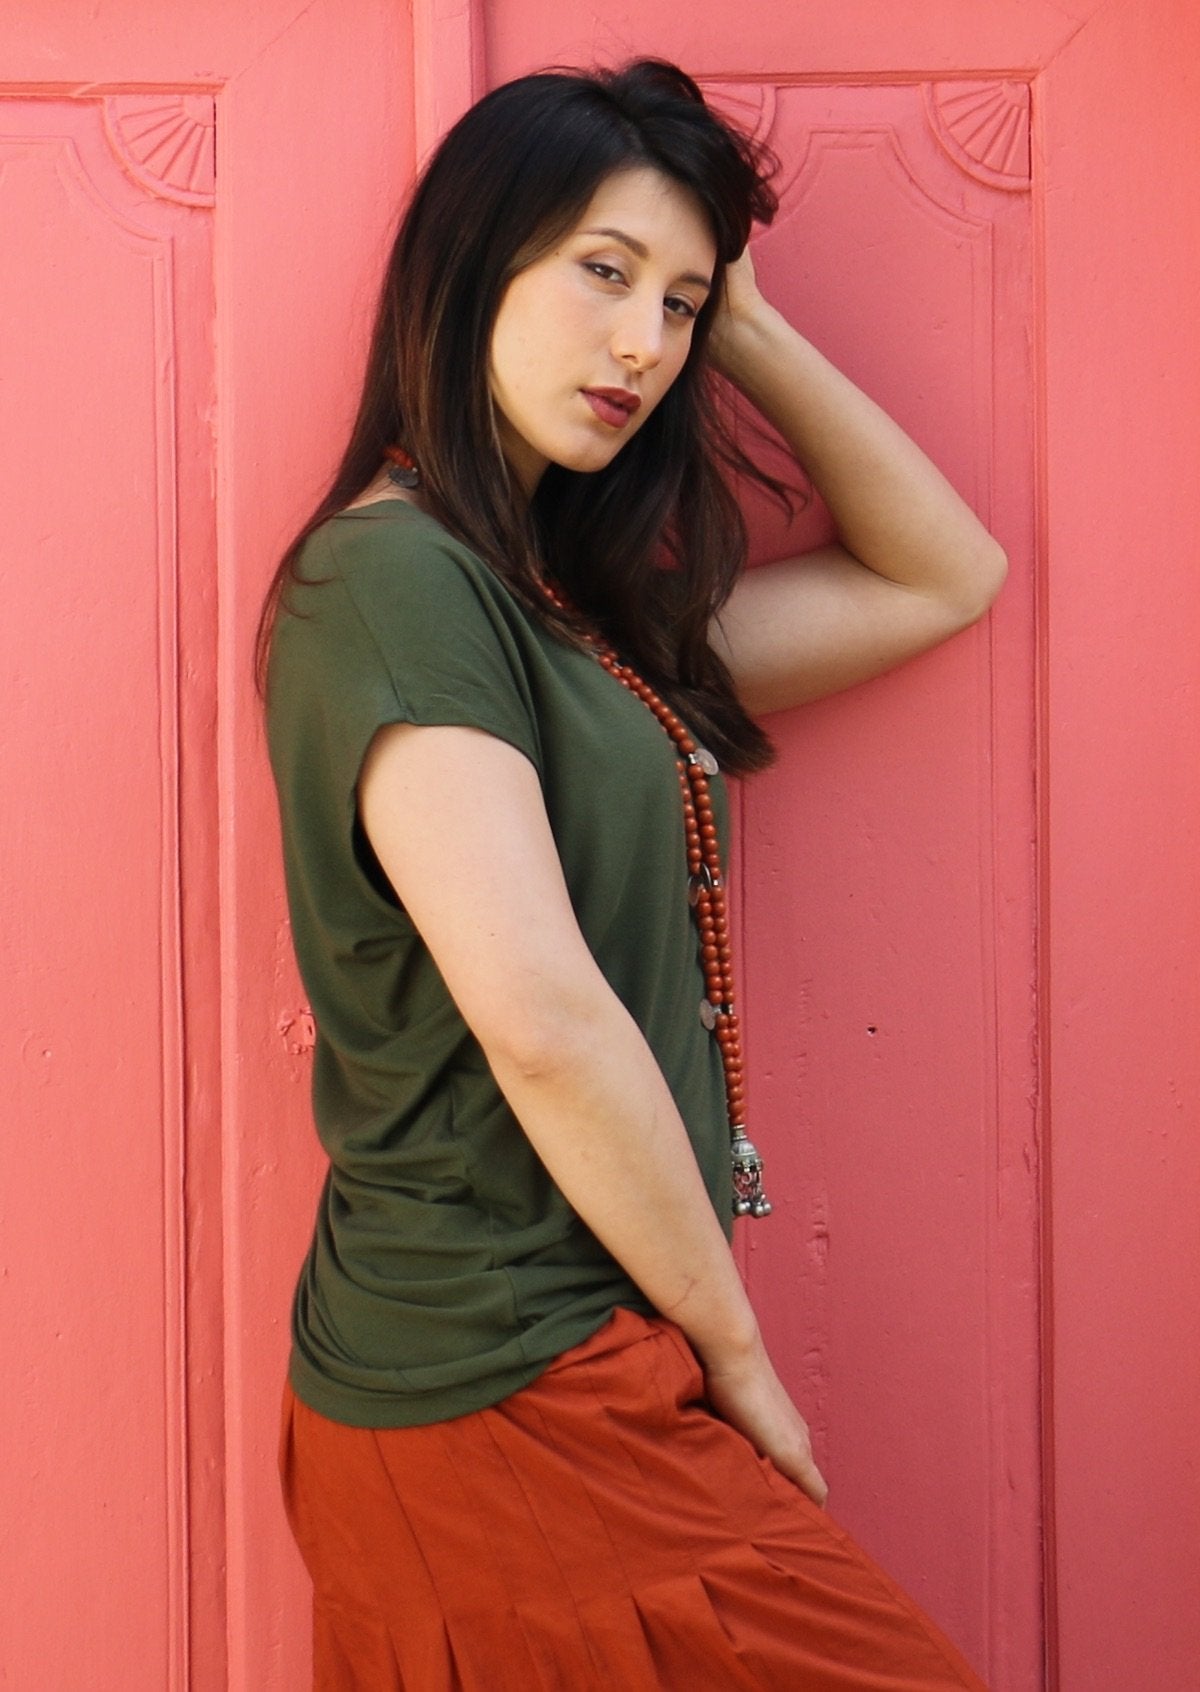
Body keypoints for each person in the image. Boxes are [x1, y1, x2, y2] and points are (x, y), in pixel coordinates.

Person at [260, 58, 1004, 1692]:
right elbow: (538, 1013)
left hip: (571, 1355)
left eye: (677, 305)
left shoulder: (578, 619)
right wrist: (739, 1361)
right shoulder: (389, 581)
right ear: (469, 263)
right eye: (603, 271)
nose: (642, 346)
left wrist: (750, 322)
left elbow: (944, 574)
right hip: (497, 1372)